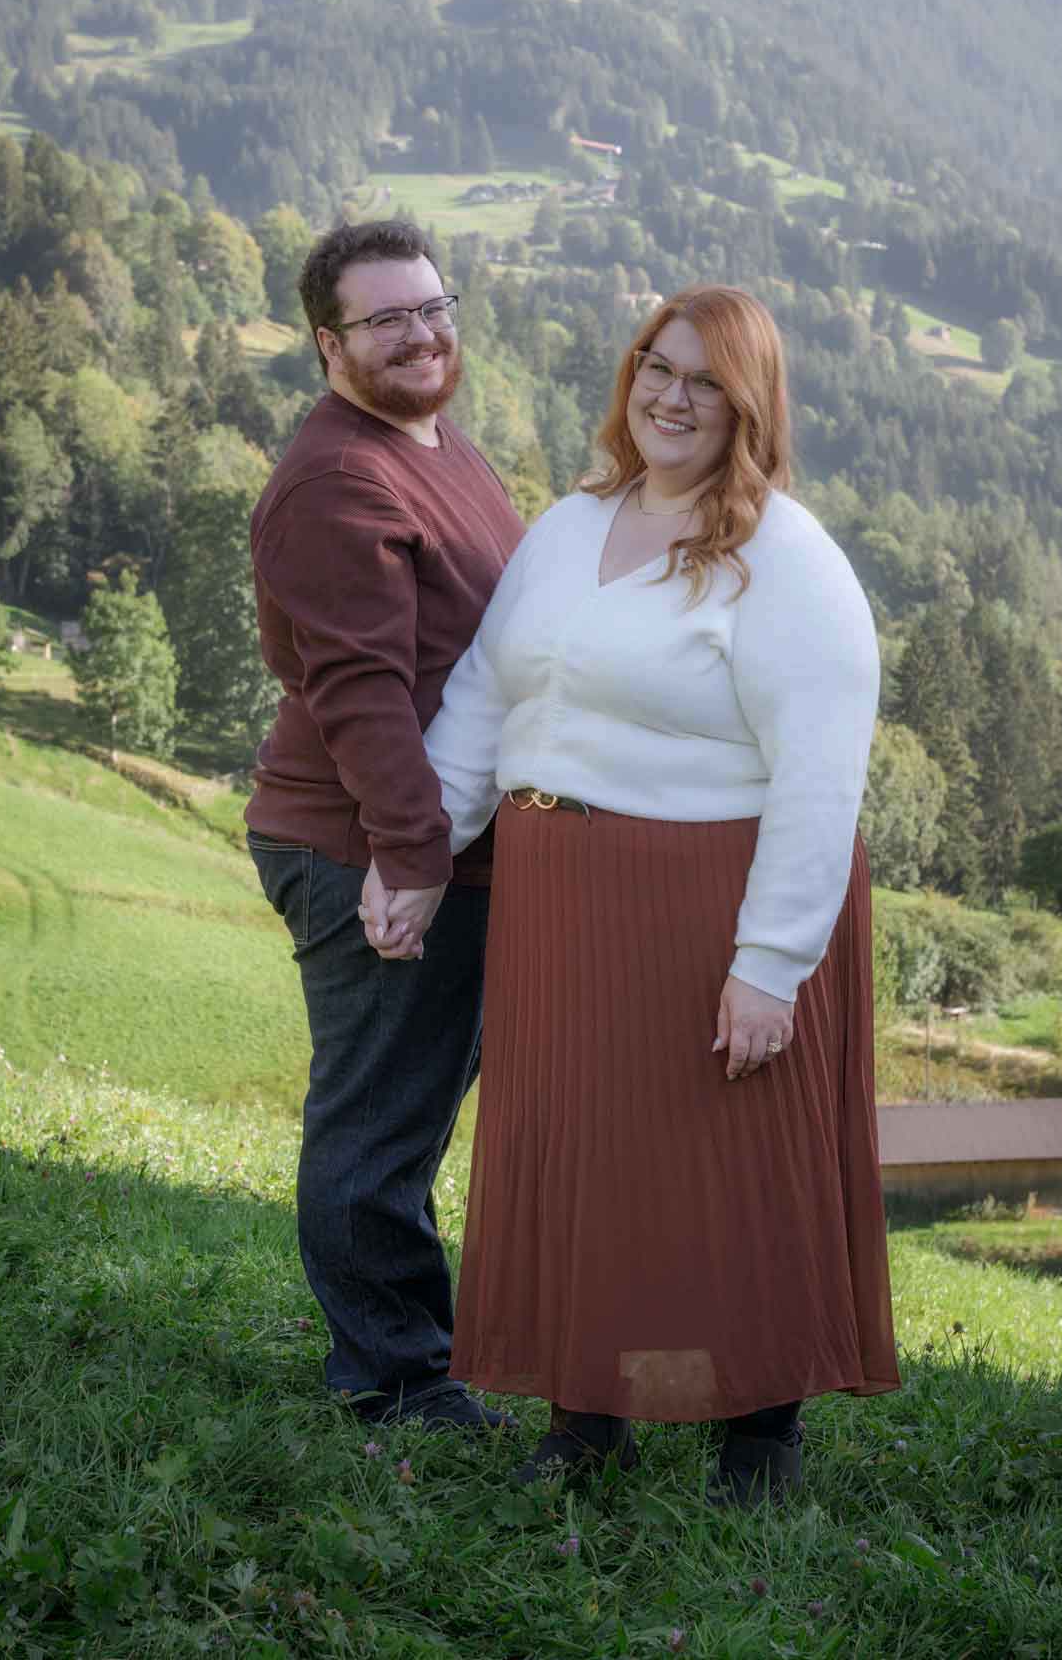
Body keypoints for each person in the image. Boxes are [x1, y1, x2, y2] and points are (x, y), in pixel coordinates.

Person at [364, 284, 899, 1502]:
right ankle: (589, 1413)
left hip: (706, 897)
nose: (672, 395)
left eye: (707, 381)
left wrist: (770, 963)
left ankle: (758, 1427)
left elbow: (822, 781)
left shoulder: (788, 563)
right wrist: (423, 857)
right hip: (558, 895)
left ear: (750, 404)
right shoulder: (568, 525)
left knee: (724, 1164)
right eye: (658, 366)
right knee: (579, 1154)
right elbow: (489, 702)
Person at [246, 219, 524, 1429]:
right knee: (375, 1126)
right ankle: (394, 1381)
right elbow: (359, 690)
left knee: (407, 1114)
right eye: (386, 319)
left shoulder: (436, 443)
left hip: (433, 838)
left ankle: (412, 1357)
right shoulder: (337, 481)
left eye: (433, 306)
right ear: (328, 342)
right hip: (366, 844)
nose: (422, 334)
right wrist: (414, 857)